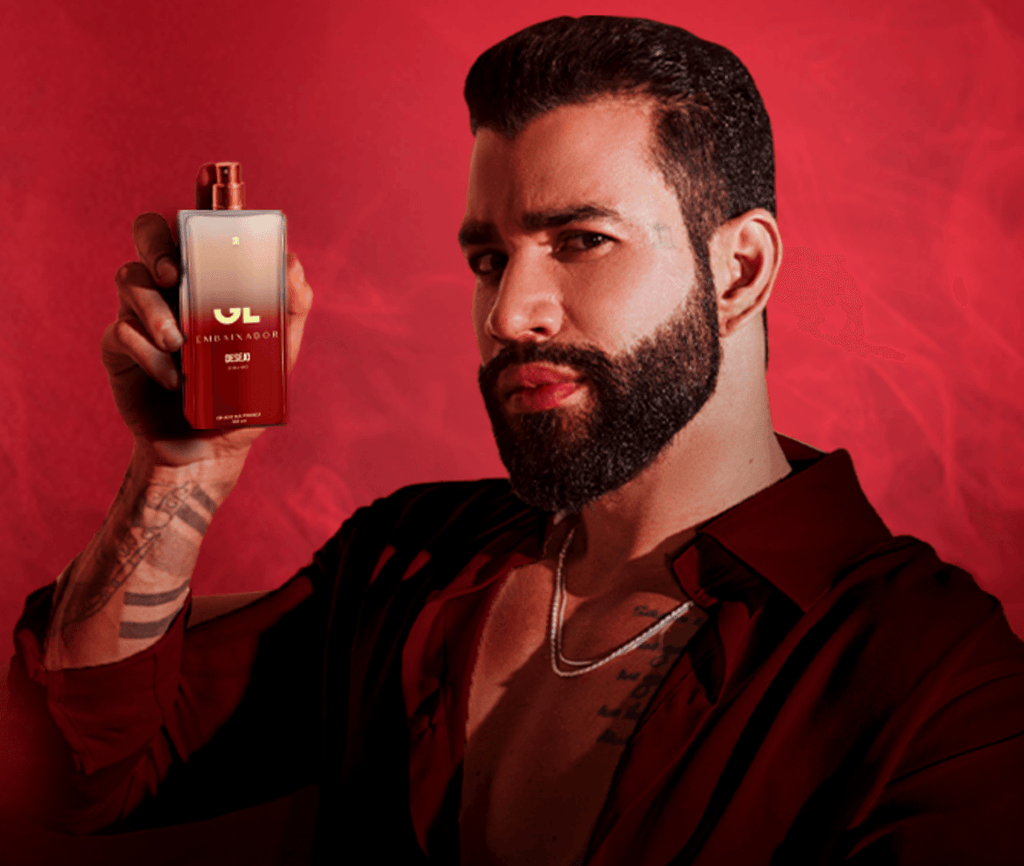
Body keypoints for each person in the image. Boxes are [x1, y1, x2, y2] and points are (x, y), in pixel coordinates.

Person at [11, 15, 1024, 866]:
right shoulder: (408, 562)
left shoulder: (934, 682)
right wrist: (174, 473)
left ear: (740, 270)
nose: (508, 314)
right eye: (490, 258)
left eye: (581, 241)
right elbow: (76, 772)